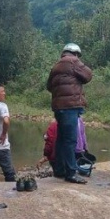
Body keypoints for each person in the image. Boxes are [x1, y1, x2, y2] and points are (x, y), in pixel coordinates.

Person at [46, 42, 93, 184]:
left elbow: (49, 86)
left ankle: (59, 170)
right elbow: (88, 75)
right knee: (70, 140)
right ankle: (71, 173)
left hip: (58, 107)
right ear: (76, 53)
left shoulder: (56, 65)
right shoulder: (73, 61)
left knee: (61, 139)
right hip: (70, 107)